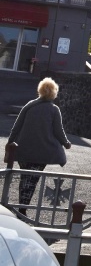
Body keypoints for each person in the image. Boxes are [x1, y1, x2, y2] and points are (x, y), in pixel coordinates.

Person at [7, 76, 71, 217]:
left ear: (40, 90)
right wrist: (66, 143)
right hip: (42, 152)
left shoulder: (29, 105)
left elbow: (16, 127)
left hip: (23, 150)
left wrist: (9, 144)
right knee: (32, 179)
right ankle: (23, 208)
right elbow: (58, 131)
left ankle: (21, 205)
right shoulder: (54, 110)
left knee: (25, 178)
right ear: (54, 92)